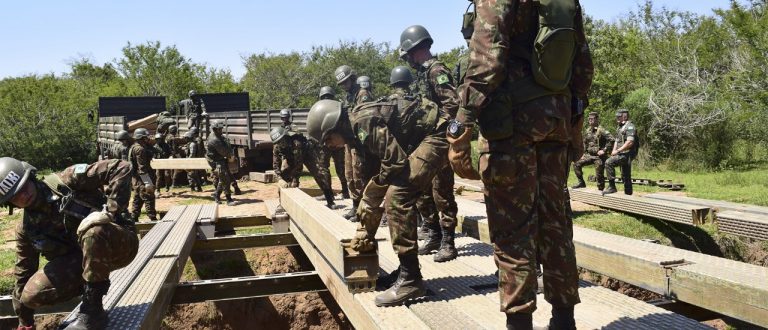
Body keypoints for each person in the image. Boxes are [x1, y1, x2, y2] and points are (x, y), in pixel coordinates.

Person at [449, 0, 594, 328]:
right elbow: (582, 64)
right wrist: (575, 123)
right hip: (556, 121)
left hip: (512, 128)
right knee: (556, 225)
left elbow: (489, 59)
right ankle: (564, 321)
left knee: (513, 230)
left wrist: (461, 123)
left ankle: (520, 323)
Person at [307, 95, 449, 307]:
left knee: (398, 197)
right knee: (389, 192)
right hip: (421, 139)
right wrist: (365, 230)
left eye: (328, 139)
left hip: (438, 134)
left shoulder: (362, 122)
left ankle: (411, 278)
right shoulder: (355, 136)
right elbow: (371, 183)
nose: (330, 146)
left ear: (335, 126)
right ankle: (405, 270)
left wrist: (375, 191)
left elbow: (394, 161)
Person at [0, 157, 139, 329]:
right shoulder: (26, 228)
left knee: (93, 231)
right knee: (30, 295)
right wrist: (25, 322)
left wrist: (110, 211)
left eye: (23, 187)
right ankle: (90, 290)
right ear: (10, 203)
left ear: (30, 177)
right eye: (15, 196)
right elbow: (23, 273)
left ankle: (92, 311)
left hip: (119, 245)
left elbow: (121, 167)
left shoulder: (67, 180)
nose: (23, 195)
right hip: (82, 262)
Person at [399, 25, 460, 262]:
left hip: (441, 139)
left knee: (442, 190)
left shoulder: (436, 71)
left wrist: (437, 124)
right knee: (425, 189)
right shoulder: (425, 74)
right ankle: (433, 233)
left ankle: (448, 241)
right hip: (428, 139)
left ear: (414, 49)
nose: (409, 61)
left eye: (408, 55)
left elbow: (452, 103)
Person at [334, 65, 376, 222]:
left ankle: (363, 208)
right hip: (349, 141)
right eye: (342, 83)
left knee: (360, 175)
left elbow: (365, 118)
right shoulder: (348, 96)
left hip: (360, 142)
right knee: (349, 174)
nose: (344, 85)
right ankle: (355, 204)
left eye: (346, 82)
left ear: (352, 79)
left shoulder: (362, 94)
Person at [270, 127, 336, 208]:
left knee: (319, 174)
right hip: (291, 157)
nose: (281, 143)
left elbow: (298, 165)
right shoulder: (276, 147)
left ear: (286, 136)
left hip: (307, 154)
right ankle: (282, 203)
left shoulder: (296, 143)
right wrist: (280, 179)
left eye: (282, 140)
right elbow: (275, 166)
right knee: (284, 176)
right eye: (278, 142)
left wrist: (294, 179)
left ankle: (330, 200)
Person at [572, 112, 614, 190]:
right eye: (589, 119)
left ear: (597, 119)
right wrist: (583, 154)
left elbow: (611, 140)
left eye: (592, 119)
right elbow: (585, 143)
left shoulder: (601, 130)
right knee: (576, 164)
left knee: (599, 175)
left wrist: (604, 150)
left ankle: (600, 189)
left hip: (599, 157)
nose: (590, 120)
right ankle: (581, 183)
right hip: (590, 155)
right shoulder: (588, 130)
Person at [604, 109, 637, 195]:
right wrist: (614, 151)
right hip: (622, 153)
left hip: (628, 153)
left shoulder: (630, 126)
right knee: (625, 175)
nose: (617, 118)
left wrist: (618, 150)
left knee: (608, 162)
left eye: (619, 116)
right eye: (617, 116)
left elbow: (630, 142)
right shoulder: (619, 127)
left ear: (625, 117)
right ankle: (628, 194)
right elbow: (616, 141)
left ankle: (612, 187)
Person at [129, 128, 158, 221]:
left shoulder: (134, 147)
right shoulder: (140, 149)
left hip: (137, 178)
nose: (147, 139)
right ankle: (152, 219)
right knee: (149, 197)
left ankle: (134, 218)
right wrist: (147, 182)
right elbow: (142, 168)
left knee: (138, 198)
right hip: (142, 178)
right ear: (141, 138)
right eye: (145, 137)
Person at [206, 120, 237, 206]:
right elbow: (225, 152)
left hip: (219, 158)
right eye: (219, 129)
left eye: (221, 129)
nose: (221, 131)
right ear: (214, 129)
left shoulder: (218, 135)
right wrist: (230, 154)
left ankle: (217, 194)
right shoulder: (215, 139)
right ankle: (228, 199)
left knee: (223, 178)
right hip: (215, 161)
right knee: (225, 177)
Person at [184, 128, 204, 192]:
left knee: (191, 175)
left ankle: (193, 188)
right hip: (192, 161)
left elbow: (192, 154)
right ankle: (198, 187)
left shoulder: (192, 144)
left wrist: (188, 161)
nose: (185, 139)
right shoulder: (191, 144)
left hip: (192, 161)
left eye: (186, 138)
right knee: (194, 175)